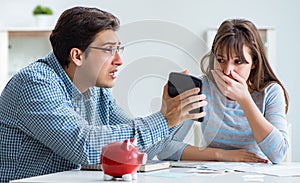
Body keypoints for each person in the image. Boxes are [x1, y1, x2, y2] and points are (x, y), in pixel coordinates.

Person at [0, 7, 205, 182]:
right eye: (109, 50)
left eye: (119, 49)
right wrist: (163, 120)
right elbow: (84, 145)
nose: (119, 60)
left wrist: (175, 114)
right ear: (77, 56)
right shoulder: (36, 82)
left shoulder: (96, 90)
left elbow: (135, 150)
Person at [157, 19, 289, 164]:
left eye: (238, 62)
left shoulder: (270, 92)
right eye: (221, 60)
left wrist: (244, 99)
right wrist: (222, 154)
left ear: (254, 63)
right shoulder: (202, 89)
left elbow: (278, 154)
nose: (227, 70)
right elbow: (164, 149)